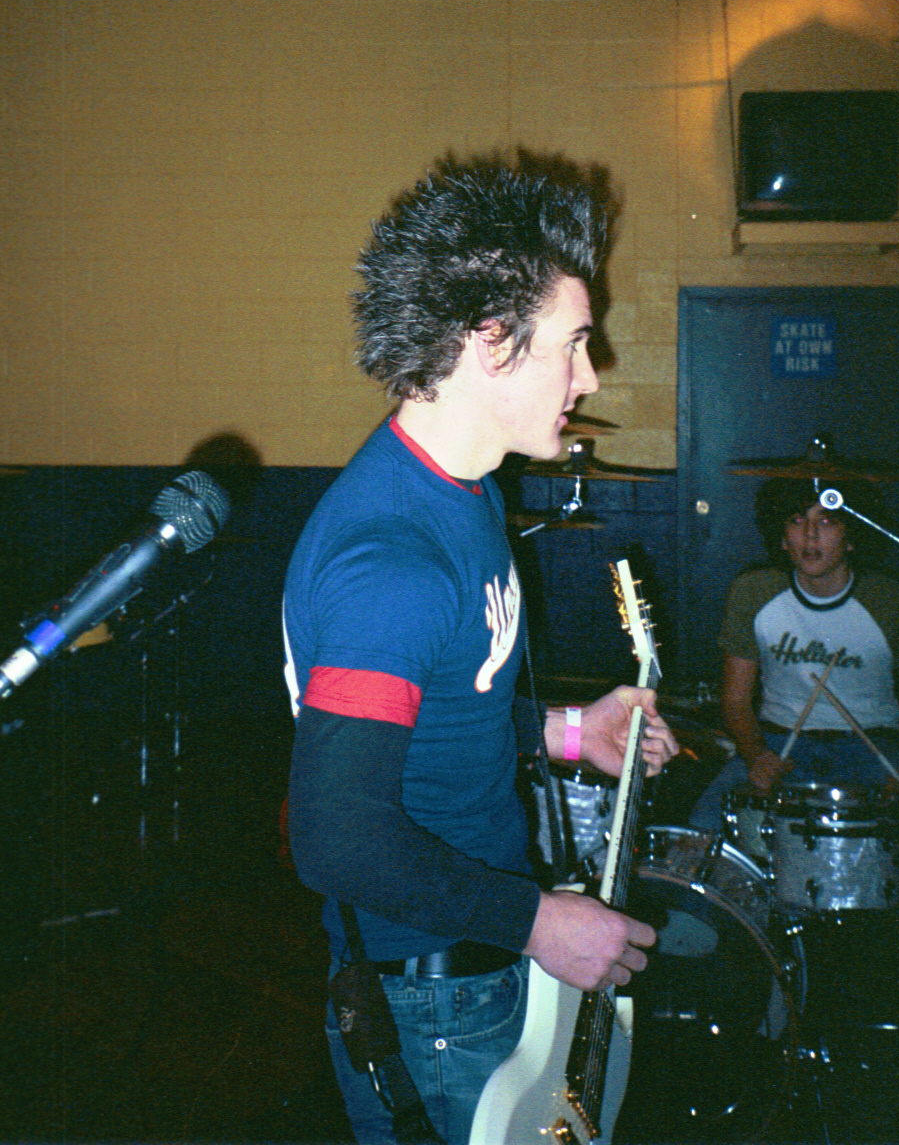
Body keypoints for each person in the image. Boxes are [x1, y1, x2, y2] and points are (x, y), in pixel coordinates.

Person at [282, 159, 677, 1145]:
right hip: (434, 1004)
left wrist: (568, 730)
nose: (591, 376)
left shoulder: (466, 492)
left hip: (474, 960)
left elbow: (447, 708)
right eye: (574, 343)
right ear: (489, 339)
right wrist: (539, 921)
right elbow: (335, 838)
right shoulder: (391, 563)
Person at [689, 478, 899, 889]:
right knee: (701, 827)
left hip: (873, 746)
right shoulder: (754, 592)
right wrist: (755, 754)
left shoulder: (891, 601)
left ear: (852, 537)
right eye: (797, 521)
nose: (811, 535)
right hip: (778, 741)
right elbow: (736, 701)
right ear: (782, 537)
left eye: (827, 521)